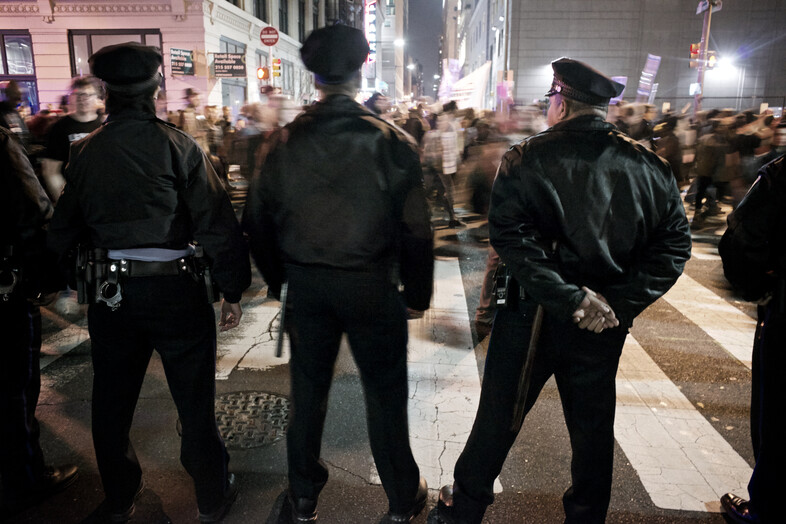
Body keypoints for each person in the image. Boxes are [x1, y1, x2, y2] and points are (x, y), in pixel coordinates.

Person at [428, 57, 691, 524]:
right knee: (592, 427)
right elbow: (673, 248)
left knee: (498, 417)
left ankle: (465, 507)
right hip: (603, 320)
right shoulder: (651, 166)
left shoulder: (527, 157)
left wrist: (569, 298)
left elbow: (511, 239)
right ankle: (586, 516)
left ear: (561, 102)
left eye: (551, 98)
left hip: (532, 315)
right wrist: (615, 302)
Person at [47, 42, 250, 523]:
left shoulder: (86, 152)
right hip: (176, 289)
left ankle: (119, 494)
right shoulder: (180, 146)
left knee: (112, 398)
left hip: (111, 293)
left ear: (105, 93)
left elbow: (63, 228)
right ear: (155, 89)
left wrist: (57, 278)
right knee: (193, 398)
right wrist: (232, 288)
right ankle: (211, 493)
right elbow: (216, 223)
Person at [242, 24, 433, 524]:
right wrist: (417, 292)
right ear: (361, 68)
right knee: (385, 395)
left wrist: (279, 278)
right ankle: (400, 497)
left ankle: (303, 495)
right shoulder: (391, 141)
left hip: (308, 284)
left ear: (313, 74)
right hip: (371, 284)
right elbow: (416, 228)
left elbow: (257, 221)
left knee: (308, 395)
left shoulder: (280, 142)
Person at [0, 125, 78, 516]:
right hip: (3, 292)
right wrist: (51, 279)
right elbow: (33, 210)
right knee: (13, 386)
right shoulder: (0, 142)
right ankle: (24, 478)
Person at [718, 153, 786, 524]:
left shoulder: (780, 173)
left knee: (777, 414)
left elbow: (741, 239)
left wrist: (760, 288)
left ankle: (766, 510)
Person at [41, 75, 103, 202]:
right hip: (73, 196)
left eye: (88, 94)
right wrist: (64, 201)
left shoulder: (104, 125)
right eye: (78, 94)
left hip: (100, 197)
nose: (83, 99)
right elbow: (51, 171)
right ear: (71, 98)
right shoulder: (59, 128)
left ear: (96, 97)